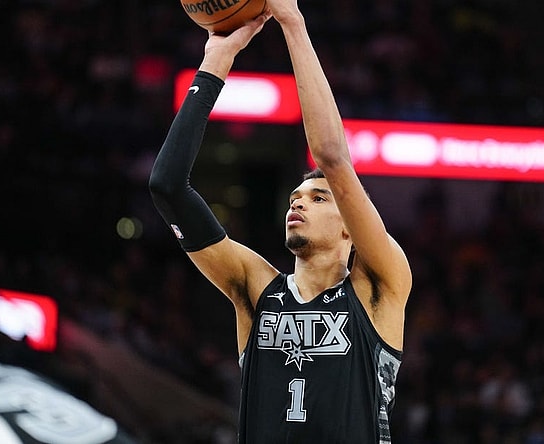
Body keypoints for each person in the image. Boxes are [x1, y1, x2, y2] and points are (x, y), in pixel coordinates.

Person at [148, 0, 412, 441]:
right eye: (295, 197)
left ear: (349, 223)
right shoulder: (255, 287)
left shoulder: (378, 287)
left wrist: (292, 22)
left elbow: (331, 157)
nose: (299, 203)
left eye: (318, 197)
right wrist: (215, 64)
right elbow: (168, 187)